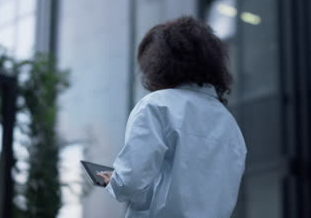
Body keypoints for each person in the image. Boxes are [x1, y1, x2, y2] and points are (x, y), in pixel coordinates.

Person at [97, 16, 247, 218]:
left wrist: (114, 182)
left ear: (156, 63)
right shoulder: (229, 123)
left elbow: (130, 184)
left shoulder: (156, 106)